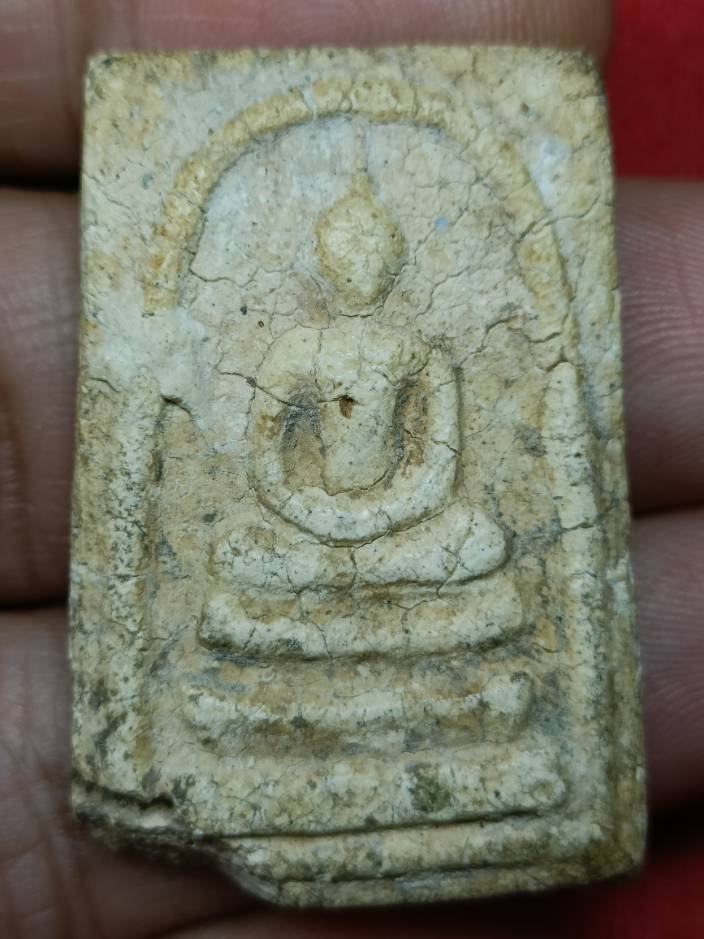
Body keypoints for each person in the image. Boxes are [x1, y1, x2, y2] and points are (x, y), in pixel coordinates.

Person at [0, 1, 702, 936]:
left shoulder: (420, 351)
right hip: (305, 531)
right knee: (241, 562)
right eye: (350, 249)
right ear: (331, 259)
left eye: (375, 249)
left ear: (393, 259)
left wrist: (387, 517)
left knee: (478, 546)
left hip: (409, 529)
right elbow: (269, 468)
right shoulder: (294, 350)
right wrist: (319, 518)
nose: (362, 262)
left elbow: (438, 470)